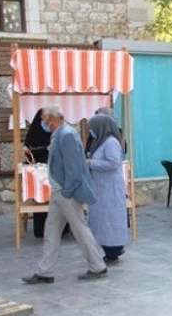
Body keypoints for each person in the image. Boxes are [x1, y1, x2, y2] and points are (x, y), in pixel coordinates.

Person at [22, 105, 107, 284]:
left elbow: (74, 168)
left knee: (80, 230)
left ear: (53, 119)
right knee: (51, 231)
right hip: (59, 192)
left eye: (46, 120)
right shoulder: (60, 134)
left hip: (65, 193)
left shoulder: (67, 136)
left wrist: (68, 191)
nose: (44, 123)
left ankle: (97, 265)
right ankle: (45, 272)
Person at [86, 114, 128, 264]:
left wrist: (92, 163)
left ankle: (113, 250)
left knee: (110, 220)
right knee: (103, 220)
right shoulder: (101, 141)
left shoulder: (110, 142)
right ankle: (110, 249)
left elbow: (113, 163)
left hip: (109, 187)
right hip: (101, 187)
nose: (91, 132)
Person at [23, 108, 51, 238]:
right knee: (41, 198)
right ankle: (41, 230)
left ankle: (61, 230)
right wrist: (45, 148)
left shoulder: (54, 128)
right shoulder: (35, 130)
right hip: (39, 168)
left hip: (55, 167)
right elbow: (28, 149)